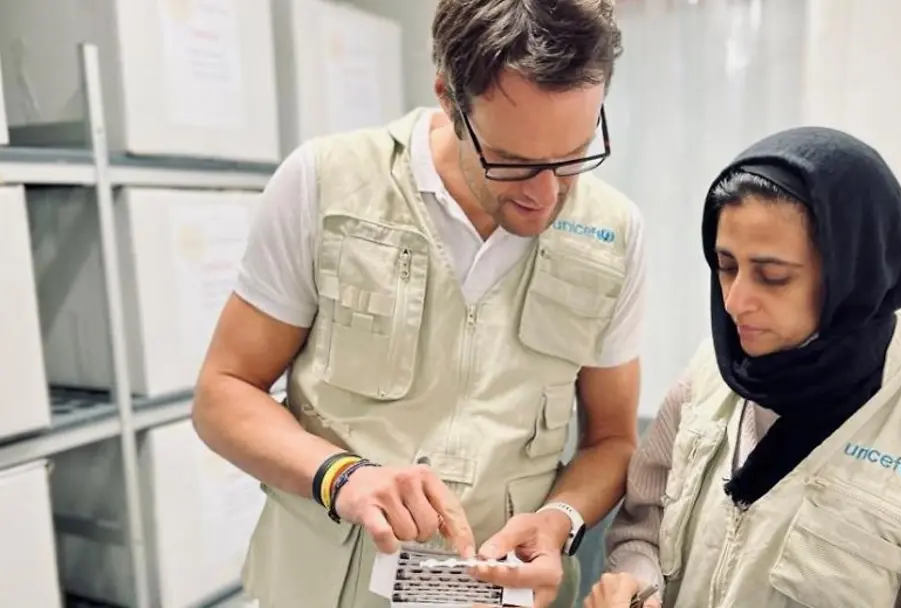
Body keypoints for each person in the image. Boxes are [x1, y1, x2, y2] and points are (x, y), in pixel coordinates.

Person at [191, 1, 648, 607]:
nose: (544, 194)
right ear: (449, 100)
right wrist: (342, 478)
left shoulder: (613, 234)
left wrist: (560, 519)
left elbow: (611, 439)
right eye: (512, 162)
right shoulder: (327, 184)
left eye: (573, 156)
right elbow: (222, 393)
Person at [586, 126, 901, 608]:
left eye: (772, 276)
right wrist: (636, 585)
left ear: (853, 273)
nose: (735, 301)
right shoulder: (709, 373)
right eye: (726, 266)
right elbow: (642, 529)